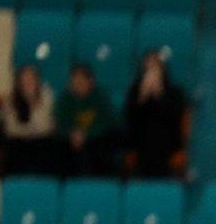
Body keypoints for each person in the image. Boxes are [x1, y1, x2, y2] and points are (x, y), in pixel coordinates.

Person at [120, 49, 190, 180]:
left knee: (157, 137)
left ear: (162, 69)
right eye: (148, 66)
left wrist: (159, 94)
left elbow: (174, 119)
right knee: (147, 138)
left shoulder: (174, 92)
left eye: (155, 66)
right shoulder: (134, 91)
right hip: (140, 140)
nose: (151, 71)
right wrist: (142, 96)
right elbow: (131, 120)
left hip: (168, 139)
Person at [56, 62, 116, 177]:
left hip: (95, 140)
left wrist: (86, 134)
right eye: (75, 81)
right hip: (71, 140)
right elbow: (61, 121)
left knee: (104, 143)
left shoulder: (100, 96)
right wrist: (72, 133)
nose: (78, 85)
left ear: (90, 81)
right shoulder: (65, 98)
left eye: (81, 81)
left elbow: (106, 120)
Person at [1, 65, 60, 177]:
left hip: (42, 140)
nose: (28, 83)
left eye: (31, 79)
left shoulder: (46, 96)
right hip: (19, 141)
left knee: (49, 147)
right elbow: (10, 129)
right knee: (13, 148)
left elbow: (46, 126)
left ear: (37, 81)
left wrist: (33, 105)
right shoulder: (11, 99)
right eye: (24, 80)